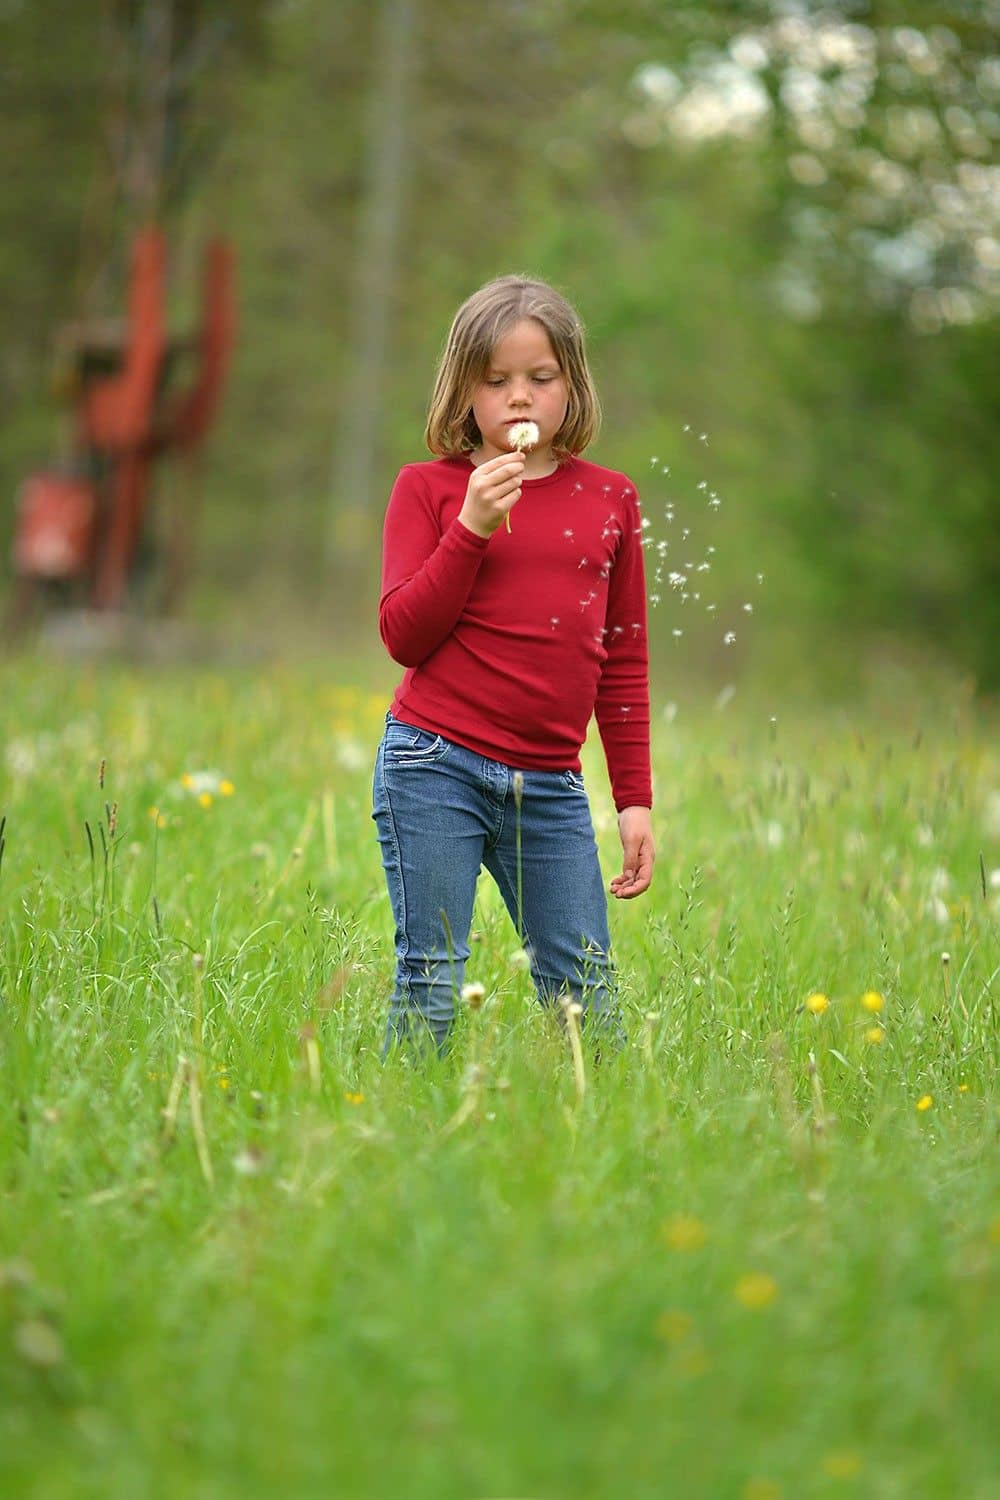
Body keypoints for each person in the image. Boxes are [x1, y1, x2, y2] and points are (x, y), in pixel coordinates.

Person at [372, 273, 654, 1060]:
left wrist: (633, 798)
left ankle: (602, 1144)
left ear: (572, 385)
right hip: (434, 763)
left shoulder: (610, 499)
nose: (518, 399)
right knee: (431, 977)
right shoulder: (429, 490)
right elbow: (403, 634)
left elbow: (622, 653)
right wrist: (471, 526)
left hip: (552, 787)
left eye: (540, 378)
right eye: (495, 381)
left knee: (587, 993)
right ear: (464, 390)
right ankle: (401, 1132)